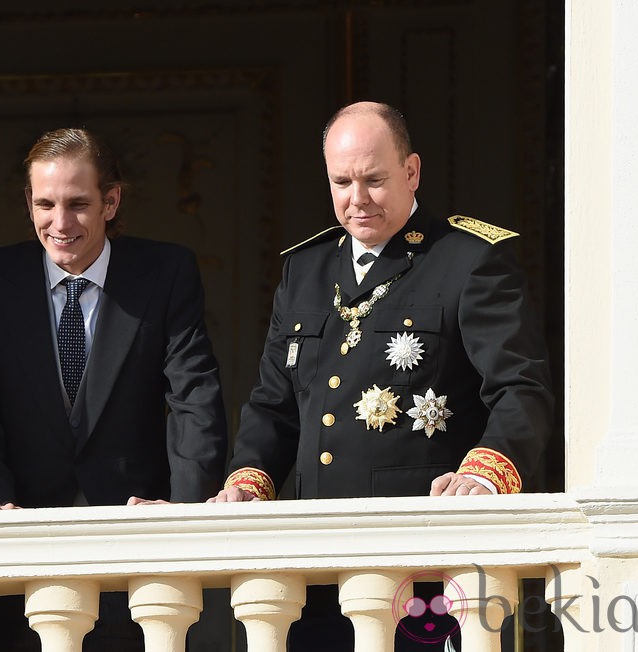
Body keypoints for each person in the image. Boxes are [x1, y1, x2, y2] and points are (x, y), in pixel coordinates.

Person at [209, 102, 554, 649]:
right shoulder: (306, 269)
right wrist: (248, 479)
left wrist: (486, 474)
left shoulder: (468, 260)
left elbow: (521, 389)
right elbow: (274, 404)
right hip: (315, 570)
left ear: (411, 172)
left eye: (374, 180)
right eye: (342, 182)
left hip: (425, 566)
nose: (357, 199)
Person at [0, 127, 228, 652]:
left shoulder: (164, 273)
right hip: (18, 553)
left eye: (78, 204)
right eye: (45, 204)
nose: (60, 223)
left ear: (111, 202)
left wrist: (184, 510)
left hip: (135, 550)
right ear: (28, 202)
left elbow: (195, 399)